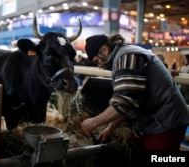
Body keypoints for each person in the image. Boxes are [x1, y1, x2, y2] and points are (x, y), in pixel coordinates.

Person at [80, 34, 189, 163]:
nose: (99, 66)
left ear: (104, 50)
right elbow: (129, 99)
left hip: (165, 122)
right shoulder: (123, 55)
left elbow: (124, 102)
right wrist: (110, 127)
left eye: (97, 61)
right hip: (152, 120)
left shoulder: (126, 57)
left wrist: (94, 122)